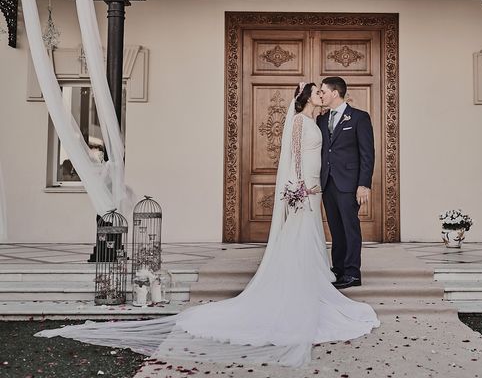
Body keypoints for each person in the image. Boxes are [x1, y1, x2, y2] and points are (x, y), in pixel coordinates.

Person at [36, 82, 379, 368]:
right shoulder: (306, 123)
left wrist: (351, 183)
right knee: (306, 236)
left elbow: (356, 153)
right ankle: (314, 277)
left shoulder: (333, 120)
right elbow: (296, 159)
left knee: (328, 233)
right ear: (308, 99)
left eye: (324, 91)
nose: (321, 95)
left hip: (326, 187)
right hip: (308, 190)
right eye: (317, 92)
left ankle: (337, 272)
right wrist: (299, 190)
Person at [317, 77, 374, 289]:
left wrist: (364, 184)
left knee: (350, 228)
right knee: (335, 229)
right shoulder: (322, 120)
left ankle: (352, 273)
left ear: (334, 93)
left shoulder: (359, 118)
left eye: (323, 91)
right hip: (328, 183)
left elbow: (367, 154)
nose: (321, 95)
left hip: (349, 183)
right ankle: (338, 269)